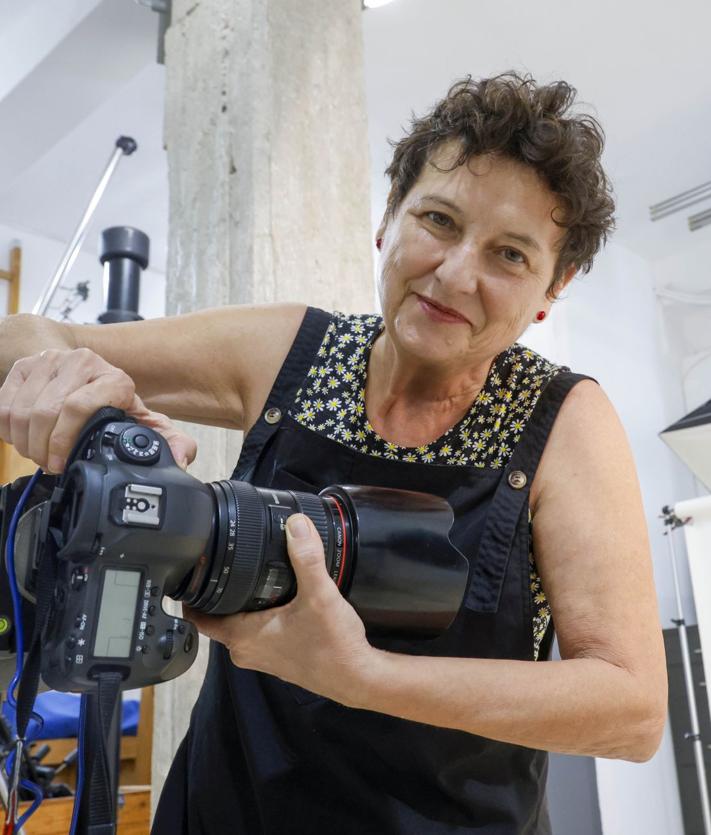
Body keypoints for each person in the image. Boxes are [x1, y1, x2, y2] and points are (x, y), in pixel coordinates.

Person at [0, 72, 667, 834]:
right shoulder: (293, 350)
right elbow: (19, 340)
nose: (455, 273)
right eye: (439, 220)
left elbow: (632, 710)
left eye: (509, 255)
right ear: (388, 218)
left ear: (553, 287)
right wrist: (75, 379)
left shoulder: (562, 422)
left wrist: (365, 677)